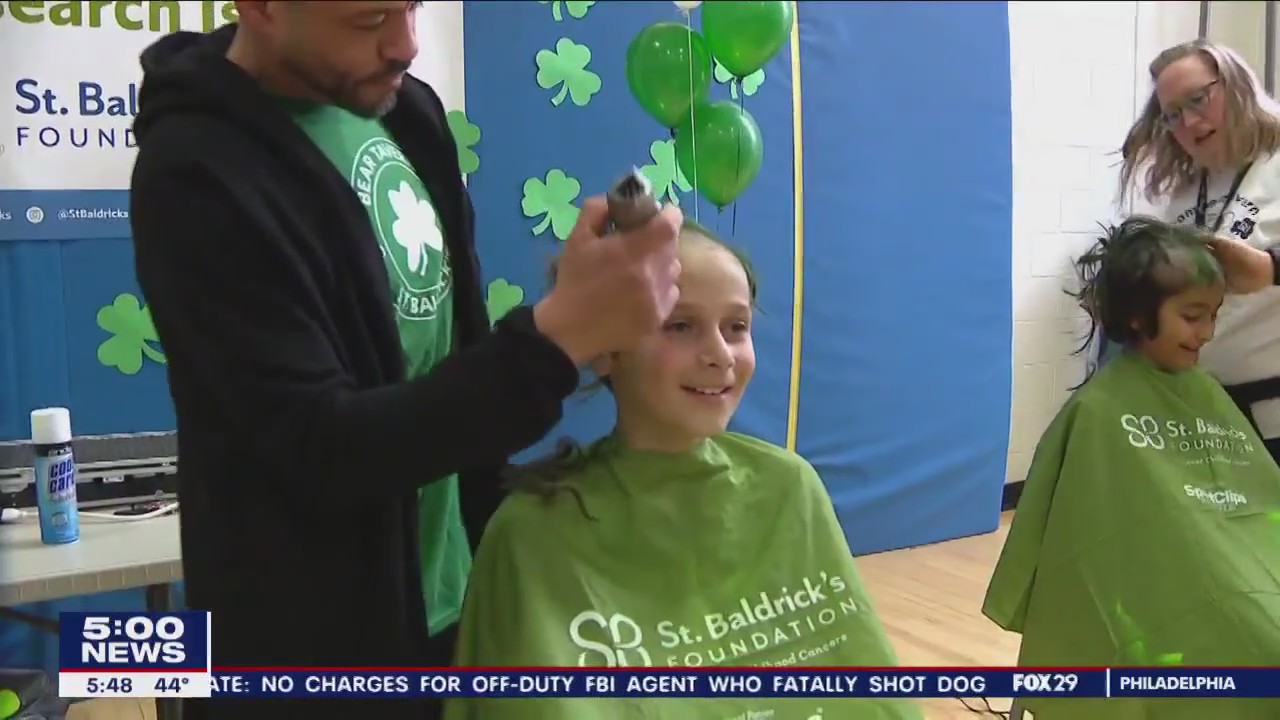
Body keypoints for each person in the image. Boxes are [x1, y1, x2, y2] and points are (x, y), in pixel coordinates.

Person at [127, 3, 682, 719]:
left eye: (415, 5)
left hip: (455, 610)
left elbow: (454, 359)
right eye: (369, 19)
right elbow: (321, 445)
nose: (406, 44)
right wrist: (556, 339)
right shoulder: (196, 173)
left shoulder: (408, 114)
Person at [443, 222, 922, 720]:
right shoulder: (532, 533)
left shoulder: (789, 487)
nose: (719, 354)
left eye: (736, 327)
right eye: (680, 326)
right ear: (606, 348)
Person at [984, 217, 1280, 720]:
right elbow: (1079, 541)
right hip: (1171, 588)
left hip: (1231, 568)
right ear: (1140, 317)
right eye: (1192, 316)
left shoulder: (1206, 395)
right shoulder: (1099, 412)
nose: (1206, 333)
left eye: (1214, 315)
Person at [1119, 38, 1280, 458]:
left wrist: (1269, 268)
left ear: (1236, 84)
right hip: (1201, 413)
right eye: (1173, 115)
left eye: (1198, 99)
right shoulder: (1185, 191)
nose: (1189, 122)